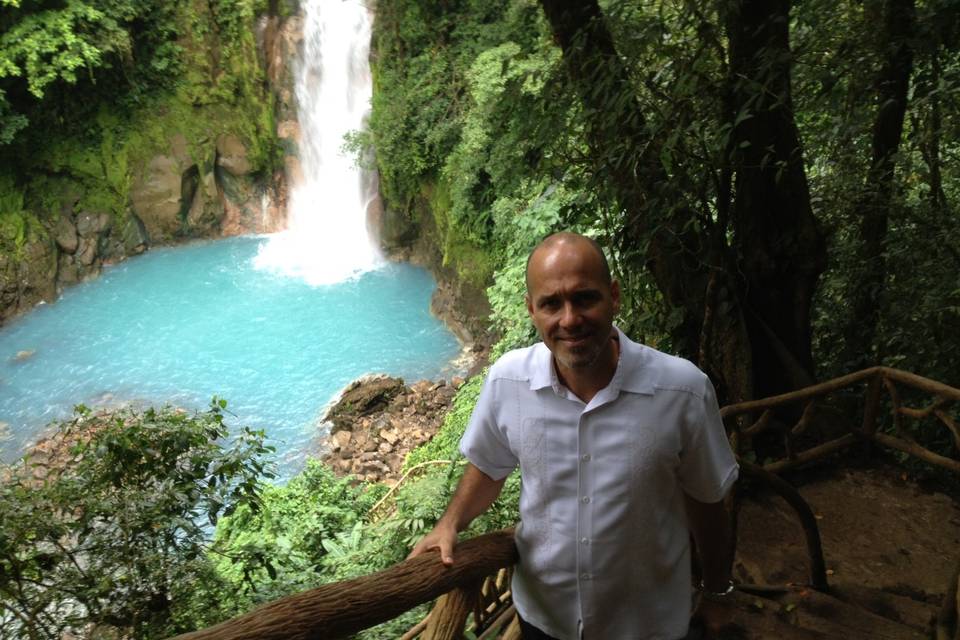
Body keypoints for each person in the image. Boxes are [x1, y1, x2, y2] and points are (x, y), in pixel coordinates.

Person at [409, 232, 739, 639]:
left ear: (613, 296)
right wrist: (450, 523)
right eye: (551, 304)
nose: (569, 319)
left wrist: (719, 591)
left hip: (648, 624)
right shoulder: (507, 380)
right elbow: (489, 466)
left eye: (585, 298)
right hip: (545, 619)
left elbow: (707, 501)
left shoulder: (682, 390)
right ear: (532, 310)